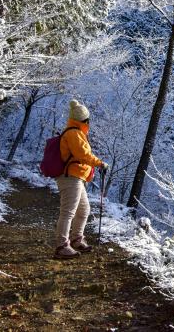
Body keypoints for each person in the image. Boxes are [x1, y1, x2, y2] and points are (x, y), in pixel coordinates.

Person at [53, 99, 108, 259]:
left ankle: (76, 239)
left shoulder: (77, 132)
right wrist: (100, 163)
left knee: (84, 210)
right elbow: (82, 154)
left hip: (76, 178)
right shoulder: (73, 133)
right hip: (70, 177)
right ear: (84, 120)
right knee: (68, 212)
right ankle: (62, 246)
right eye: (87, 120)